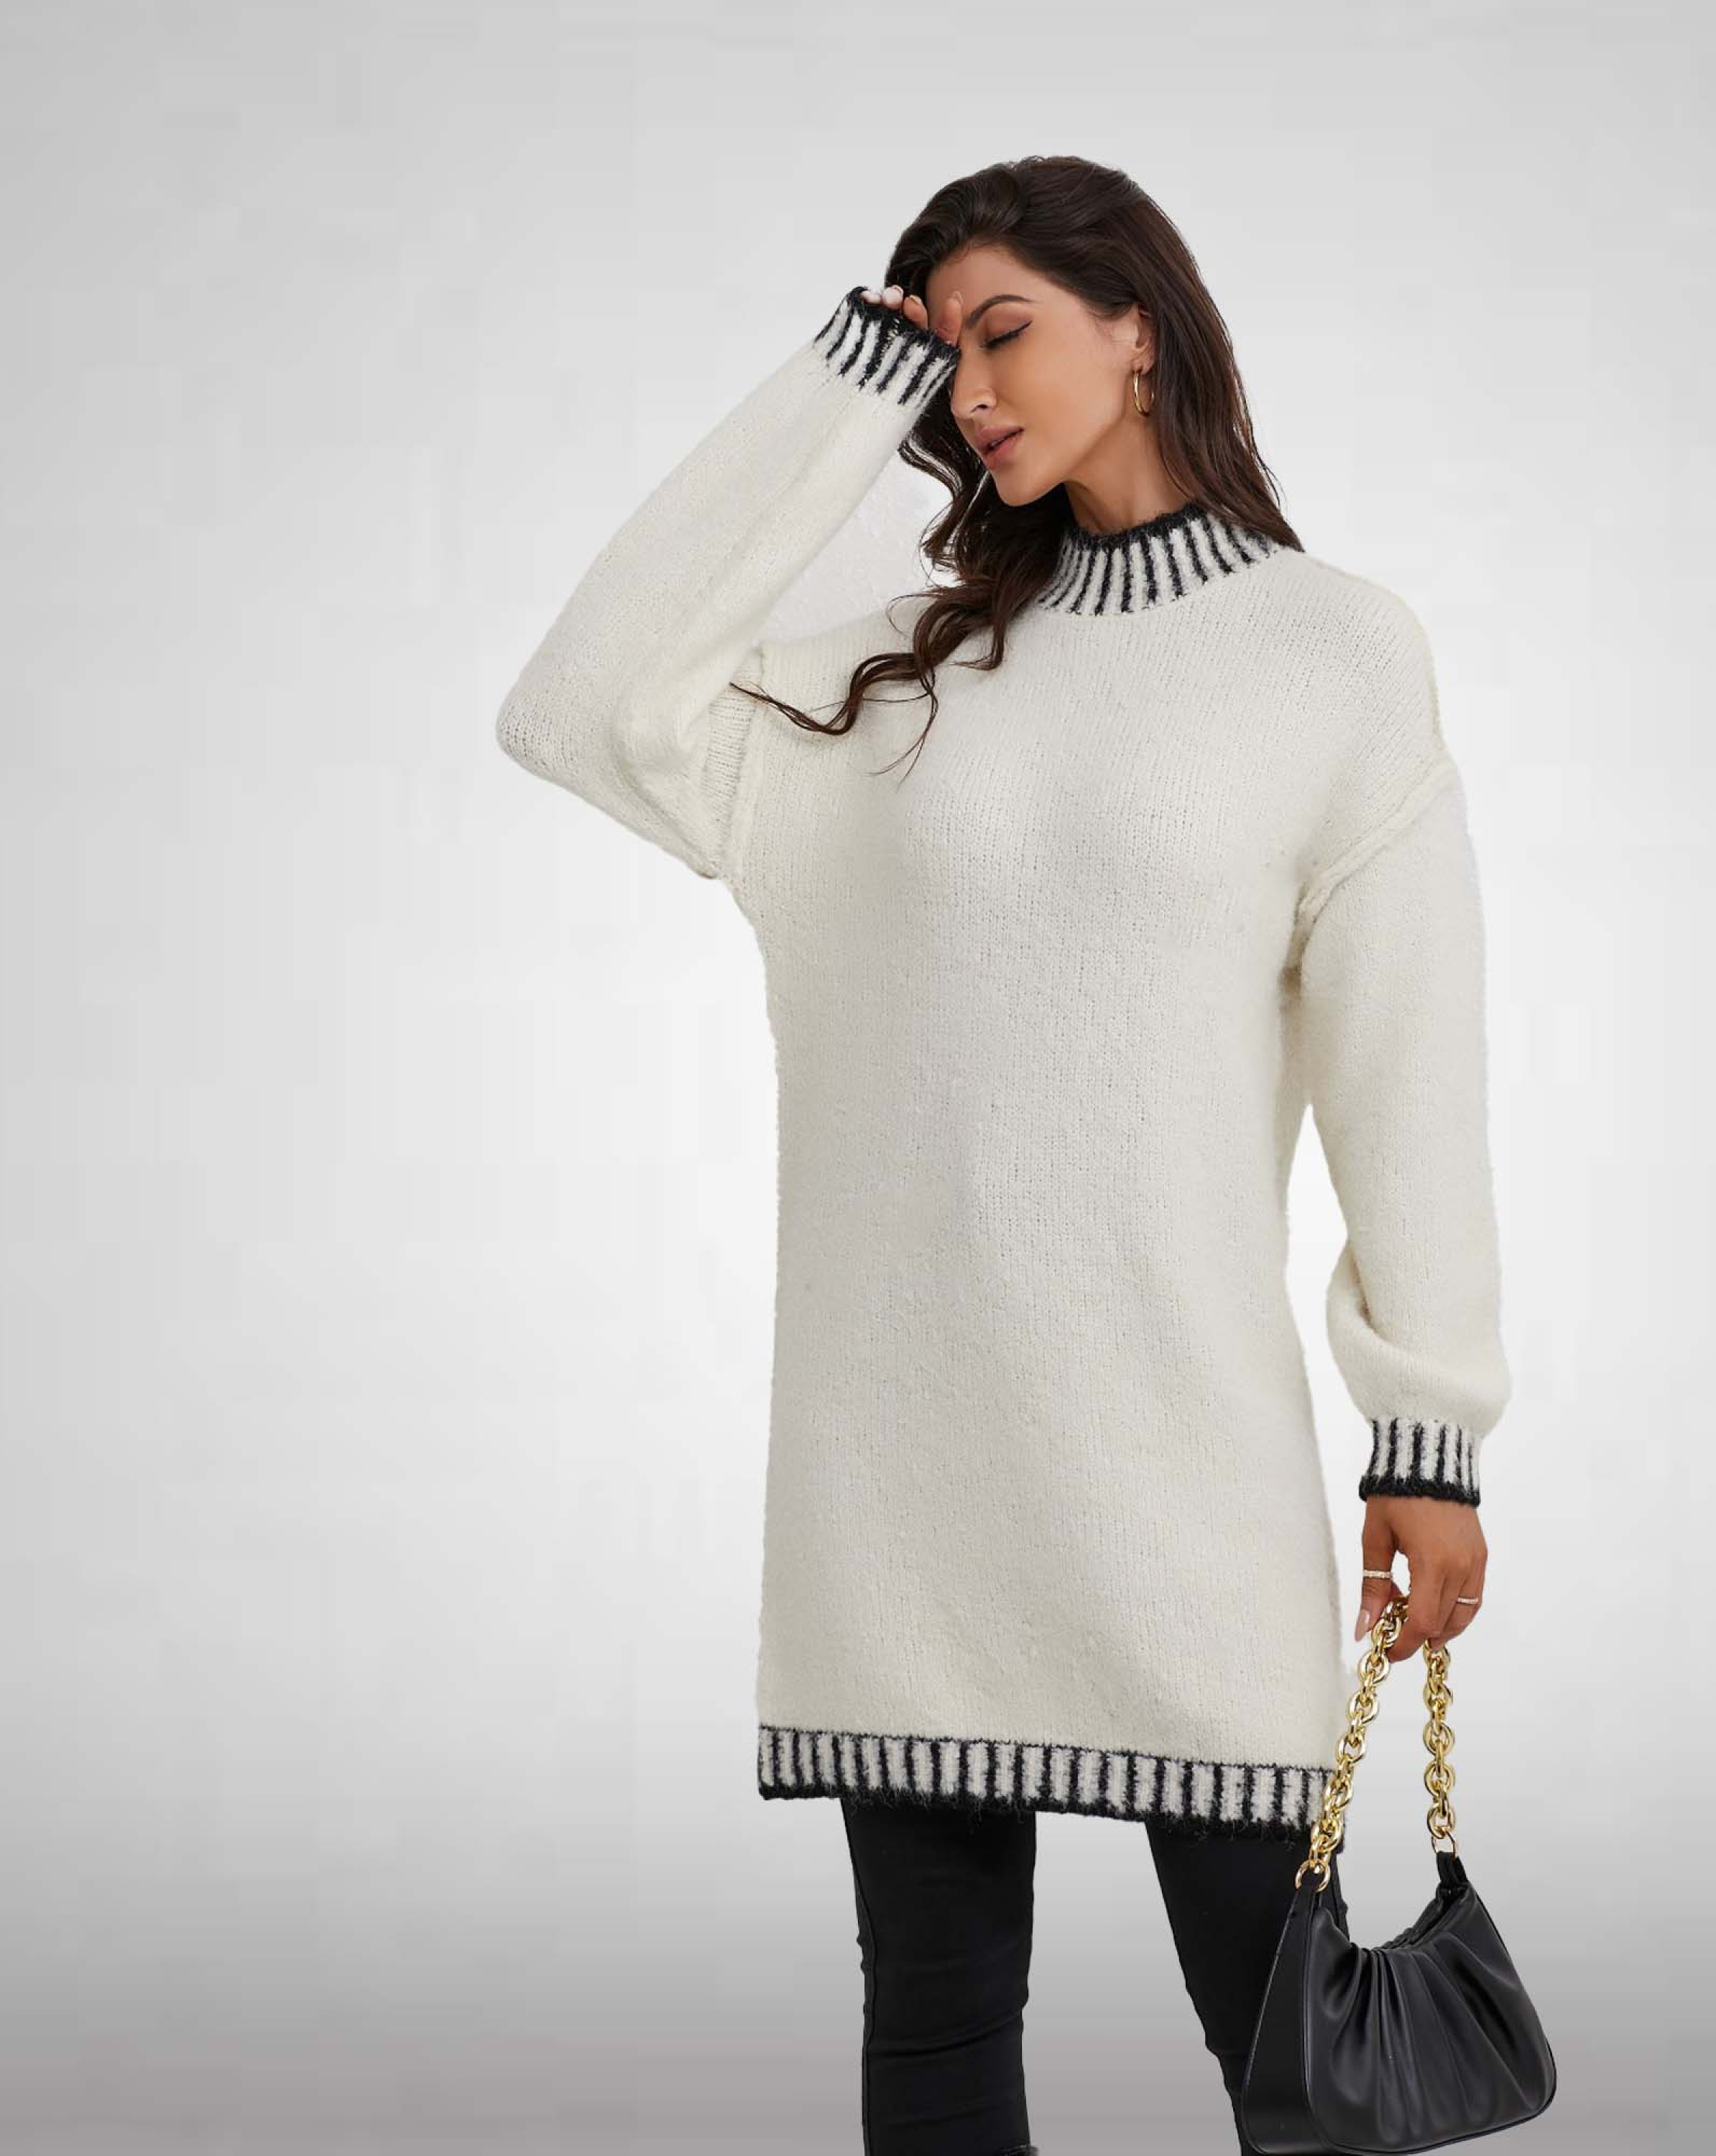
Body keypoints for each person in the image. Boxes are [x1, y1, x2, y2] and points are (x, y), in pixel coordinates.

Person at [495, 153, 1509, 2156]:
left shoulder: (1333, 655)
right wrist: (844, 381)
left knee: (1289, 2053)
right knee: (940, 2021)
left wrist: (1432, 1431)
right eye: (935, 354)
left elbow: (1411, 1066)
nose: (967, 391)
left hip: (1178, 1457)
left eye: (1003, 332)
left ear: (1138, 325)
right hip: (902, 1470)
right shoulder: (885, 677)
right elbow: (579, 705)